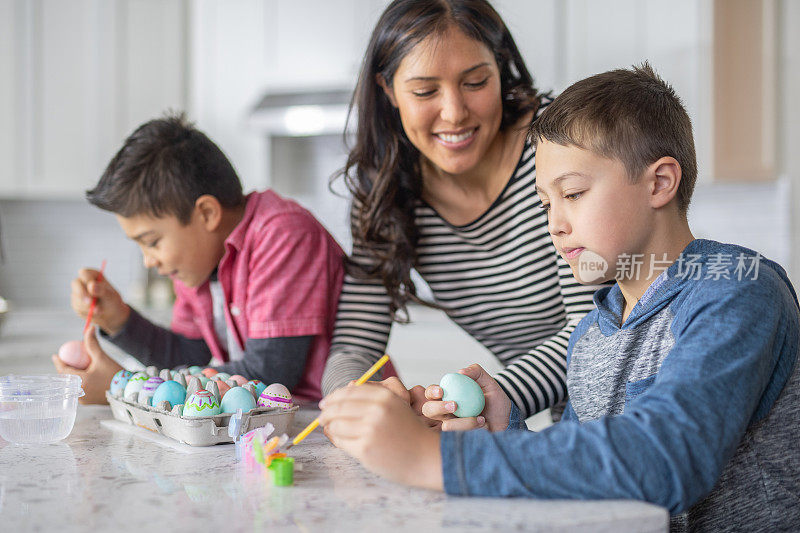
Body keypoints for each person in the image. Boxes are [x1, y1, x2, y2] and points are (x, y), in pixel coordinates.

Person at [318, 64, 800, 530]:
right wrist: (500, 424)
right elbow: (591, 478)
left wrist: (433, 460)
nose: (555, 224)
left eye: (572, 194)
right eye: (545, 203)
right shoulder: (591, 333)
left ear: (659, 182)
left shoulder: (735, 291)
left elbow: (664, 458)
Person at [324, 0, 602, 421]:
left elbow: (595, 329)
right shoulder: (387, 192)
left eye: (475, 82)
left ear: (501, 67)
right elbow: (354, 344)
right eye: (424, 91)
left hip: (629, 406)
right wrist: (354, 402)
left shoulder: (557, 146)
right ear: (387, 90)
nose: (454, 112)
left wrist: (480, 399)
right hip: (569, 426)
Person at [53, 113, 345, 405]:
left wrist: (124, 387)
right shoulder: (200, 260)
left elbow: (268, 373)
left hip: (326, 421)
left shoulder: (282, 234)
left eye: (152, 242)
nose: (149, 261)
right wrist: (119, 320)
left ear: (206, 213)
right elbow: (186, 356)